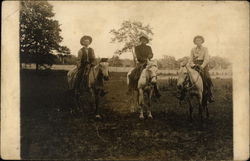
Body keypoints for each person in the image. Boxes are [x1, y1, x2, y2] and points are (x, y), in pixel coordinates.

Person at [189, 35, 215, 103]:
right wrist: (193, 65)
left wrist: (202, 66)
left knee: (207, 78)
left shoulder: (205, 49)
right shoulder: (192, 50)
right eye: (196, 40)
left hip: (203, 65)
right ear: (195, 42)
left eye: (199, 40)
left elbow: (206, 59)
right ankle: (183, 94)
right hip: (195, 65)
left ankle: (210, 95)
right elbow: (190, 60)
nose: (198, 42)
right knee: (187, 77)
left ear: (202, 41)